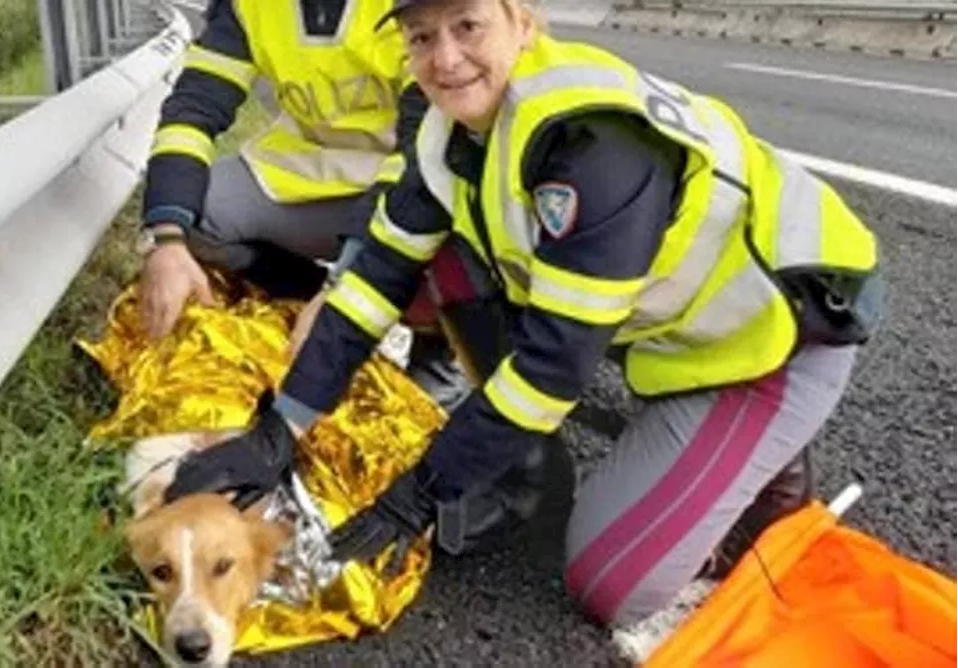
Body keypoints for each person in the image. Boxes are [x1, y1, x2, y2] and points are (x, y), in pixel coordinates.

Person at [161, 0, 885, 629]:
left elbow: (548, 369)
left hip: (768, 345)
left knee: (609, 585)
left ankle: (768, 470)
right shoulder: (447, 137)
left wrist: (417, 494)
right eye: (420, 37)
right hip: (653, 329)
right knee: (437, 258)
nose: (445, 58)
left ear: (523, 22)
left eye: (468, 26)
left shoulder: (588, 146)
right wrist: (281, 426)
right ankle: (537, 462)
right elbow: (374, 277)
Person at [135, 0, 470, 409]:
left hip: (406, 177)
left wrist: (345, 282)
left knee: (458, 214)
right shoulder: (246, 7)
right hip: (306, 171)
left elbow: (419, 149)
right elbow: (192, 111)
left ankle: (439, 353)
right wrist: (167, 238)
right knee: (196, 212)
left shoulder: (413, 9)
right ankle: (307, 303)